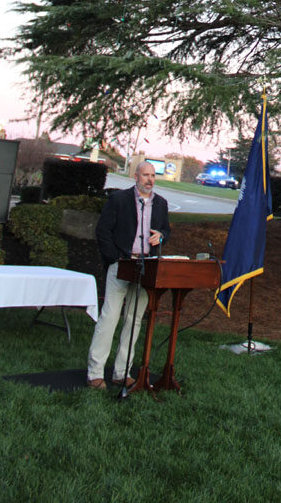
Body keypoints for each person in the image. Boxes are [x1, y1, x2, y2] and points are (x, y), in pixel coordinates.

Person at [87, 160, 171, 389]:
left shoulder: (161, 204)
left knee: (133, 321)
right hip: (122, 264)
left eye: (153, 175)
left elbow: (166, 230)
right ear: (136, 176)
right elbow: (103, 231)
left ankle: (122, 372)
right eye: (146, 175)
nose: (150, 180)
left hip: (147, 267)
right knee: (110, 317)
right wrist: (115, 258)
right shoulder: (119, 200)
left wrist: (161, 236)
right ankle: (95, 373)